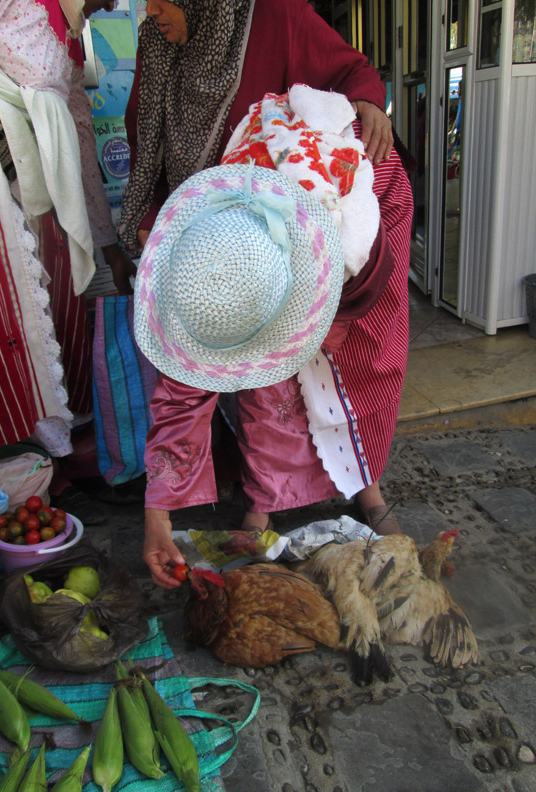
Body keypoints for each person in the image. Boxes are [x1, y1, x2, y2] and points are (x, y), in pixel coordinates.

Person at [120, 0, 413, 587]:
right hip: (219, 218)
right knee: (255, 372)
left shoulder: (351, 207)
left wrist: (369, 103)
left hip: (341, 219)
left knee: (343, 364)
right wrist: (157, 513)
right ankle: (263, 501)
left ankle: (360, 483)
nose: (150, 11)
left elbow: (350, 70)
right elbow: (185, 383)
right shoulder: (211, 265)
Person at [0, 0, 136, 468]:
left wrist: (106, 242)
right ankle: (8, 472)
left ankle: (54, 465)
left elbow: (80, 131)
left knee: (55, 312)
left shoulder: (66, 29)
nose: (112, 5)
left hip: (36, 181)